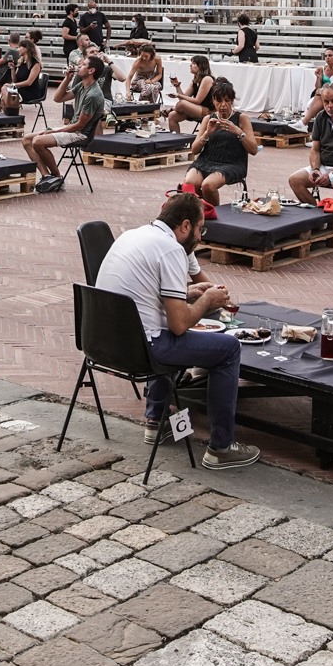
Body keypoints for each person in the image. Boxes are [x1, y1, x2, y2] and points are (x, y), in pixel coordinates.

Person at [91, 193, 259, 470]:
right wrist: (205, 301)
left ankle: (156, 421)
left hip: (103, 344)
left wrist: (189, 292)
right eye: (200, 228)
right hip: (142, 350)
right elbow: (178, 325)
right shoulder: (171, 250)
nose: (201, 235)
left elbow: (144, 297)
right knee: (229, 349)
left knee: (163, 327)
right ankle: (221, 447)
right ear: (184, 226)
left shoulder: (135, 235)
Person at [24, 54, 108, 193]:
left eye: (83, 65)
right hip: (72, 128)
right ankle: (47, 176)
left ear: (91, 70)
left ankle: (57, 177)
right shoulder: (82, 85)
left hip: (80, 134)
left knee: (38, 141)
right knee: (27, 139)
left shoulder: (93, 95)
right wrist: (67, 78)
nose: (79, 66)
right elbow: (58, 98)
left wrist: (53, 132)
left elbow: (80, 126)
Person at [182, 78, 259, 206]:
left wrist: (238, 132)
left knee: (208, 185)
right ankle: (200, 213)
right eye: (219, 101)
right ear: (213, 101)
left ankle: (215, 217)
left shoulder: (241, 118)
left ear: (232, 101)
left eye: (227, 101)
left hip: (232, 163)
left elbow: (254, 150)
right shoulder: (208, 119)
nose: (223, 105)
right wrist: (207, 133)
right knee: (189, 184)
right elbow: (194, 150)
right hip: (206, 160)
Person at [165, 55, 215, 132]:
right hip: (197, 108)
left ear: (201, 66)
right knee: (172, 116)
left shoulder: (207, 79)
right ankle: (176, 142)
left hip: (208, 110)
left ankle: (171, 109)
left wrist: (178, 96)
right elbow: (183, 97)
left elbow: (197, 100)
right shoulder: (195, 80)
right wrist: (177, 86)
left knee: (181, 104)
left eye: (194, 63)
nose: (190, 65)